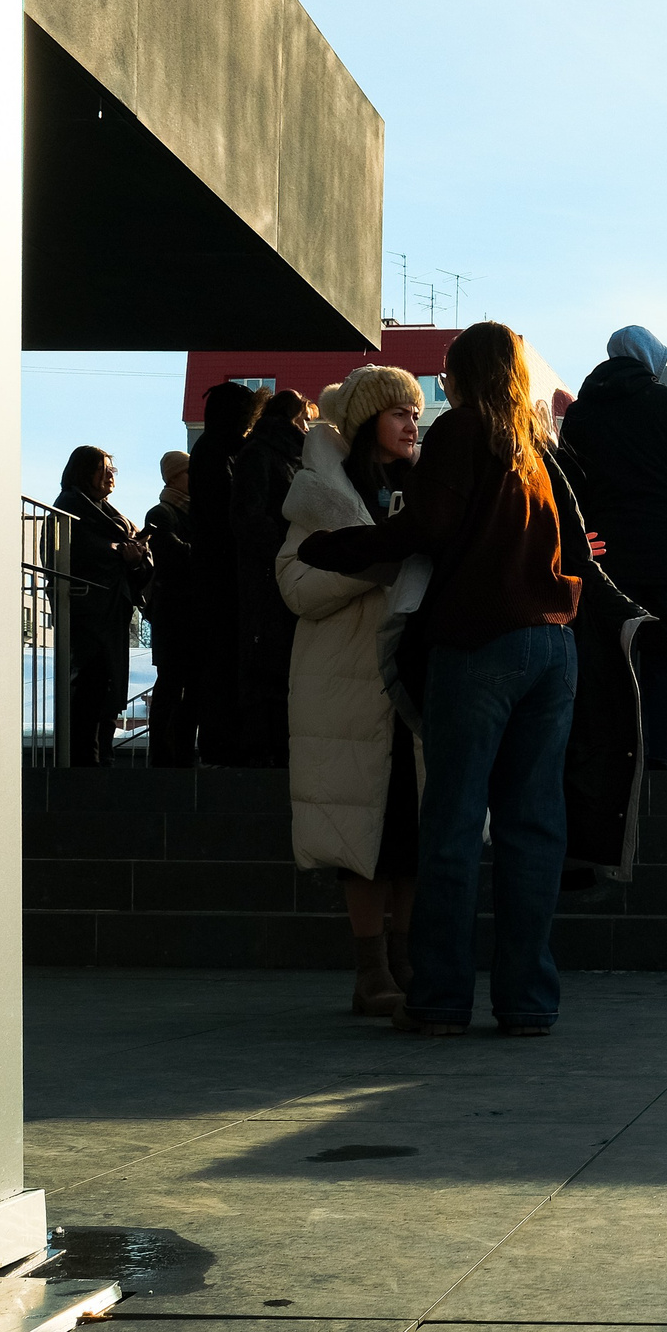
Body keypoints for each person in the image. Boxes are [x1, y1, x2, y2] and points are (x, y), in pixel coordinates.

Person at [296, 322, 639, 1037]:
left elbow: (425, 528)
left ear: (461, 373)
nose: (441, 384)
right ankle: (528, 999)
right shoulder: (537, 449)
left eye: (447, 371)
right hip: (554, 650)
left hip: (478, 641)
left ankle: (443, 996)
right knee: (533, 827)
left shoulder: (462, 432)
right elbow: (579, 548)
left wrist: (333, 546)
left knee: (451, 823)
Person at [279, 366, 425, 1017]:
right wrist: (375, 564)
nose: (411, 422)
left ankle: (404, 959)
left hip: (408, 683)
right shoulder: (324, 493)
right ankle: (372, 970)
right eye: (398, 412)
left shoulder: (426, 489)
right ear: (369, 420)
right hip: (343, 686)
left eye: (415, 412)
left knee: (409, 835)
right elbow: (297, 585)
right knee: (361, 838)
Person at [556, 325, 667, 770]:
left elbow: (569, 489)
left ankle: (634, 756)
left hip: (608, 563)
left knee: (621, 660)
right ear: (651, 360)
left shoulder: (580, 415)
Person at [53, 445, 152, 767]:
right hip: (88, 615)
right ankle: (87, 765)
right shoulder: (69, 507)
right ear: (84, 472)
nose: (110, 475)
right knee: (90, 691)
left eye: (113, 469)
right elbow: (74, 553)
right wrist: (121, 554)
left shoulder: (110, 512)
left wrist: (135, 558)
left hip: (113, 613)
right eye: (103, 468)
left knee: (108, 692)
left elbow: (140, 561)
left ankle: (102, 760)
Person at [234, 388, 312, 766]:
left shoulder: (282, 453)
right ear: (294, 417)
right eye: (305, 416)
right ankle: (265, 750)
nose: (310, 425)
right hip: (270, 574)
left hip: (281, 569)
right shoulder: (267, 454)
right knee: (270, 662)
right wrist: (289, 548)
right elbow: (250, 518)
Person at [189, 382, 266, 764]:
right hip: (221, 574)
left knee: (220, 659)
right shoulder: (223, 451)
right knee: (223, 660)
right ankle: (223, 742)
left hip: (213, 573)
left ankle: (221, 740)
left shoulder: (209, 448)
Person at [143, 451, 198, 766]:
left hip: (186, 613)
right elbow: (174, 556)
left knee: (190, 686)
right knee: (171, 683)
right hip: (173, 614)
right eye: (190, 472)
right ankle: (164, 757)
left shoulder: (191, 513)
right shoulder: (161, 513)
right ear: (175, 476)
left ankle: (182, 754)